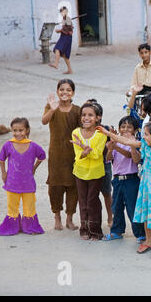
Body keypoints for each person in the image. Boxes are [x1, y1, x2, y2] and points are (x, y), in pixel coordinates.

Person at [98, 122, 151, 260]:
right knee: (146, 214)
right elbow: (125, 140)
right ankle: (148, 241)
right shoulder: (145, 147)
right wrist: (108, 134)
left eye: (146, 134)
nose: (144, 136)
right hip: (146, 186)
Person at [42, 79, 80, 231]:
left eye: (68, 90)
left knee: (73, 187)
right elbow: (44, 121)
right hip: (56, 153)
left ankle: (69, 218)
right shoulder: (51, 107)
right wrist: (52, 109)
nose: (65, 92)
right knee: (55, 186)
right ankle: (57, 216)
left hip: (72, 153)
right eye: (62, 89)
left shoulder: (77, 110)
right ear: (57, 92)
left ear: (73, 93)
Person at [0, 118, 46, 236]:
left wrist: (34, 168)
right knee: (12, 207)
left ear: (27, 130)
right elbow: (1, 159)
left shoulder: (33, 146)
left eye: (21, 130)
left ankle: (29, 227)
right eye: (15, 130)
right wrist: (4, 173)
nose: (18, 133)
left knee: (29, 206)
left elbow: (42, 156)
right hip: (12, 183)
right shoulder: (8, 145)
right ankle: (12, 228)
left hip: (28, 184)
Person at [103, 116, 144, 242]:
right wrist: (110, 148)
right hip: (117, 179)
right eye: (123, 127)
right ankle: (116, 231)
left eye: (129, 127)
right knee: (117, 206)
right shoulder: (116, 142)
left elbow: (131, 157)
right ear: (119, 129)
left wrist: (117, 147)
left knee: (132, 207)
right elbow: (109, 158)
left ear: (135, 130)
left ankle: (139, 233)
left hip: (131, 179)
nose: (125, 129)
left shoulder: (135, 143)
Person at [70, 102, 107, 240]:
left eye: (90, 115)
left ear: (97, 118)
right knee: (83, 201)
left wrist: (87, 150)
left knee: (92, 201)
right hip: (80, 172)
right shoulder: (76, 133)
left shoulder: (101, 134)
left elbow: (98, 154)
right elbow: (78, 156)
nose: (86, 118)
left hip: (96, 174)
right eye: (84, 115)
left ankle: (96, 231)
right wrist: (84, 152)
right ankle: (84, 229)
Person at [89, 100, 113, 227]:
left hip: (104, 164)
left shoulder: (106, 130)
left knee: (106, 192)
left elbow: (111, 145)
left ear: (99, 117)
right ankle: (93, 219)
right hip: (89, 164)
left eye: (92, 114)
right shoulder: (83, 130)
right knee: (91, 194)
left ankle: (110, 216)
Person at [49, 6, 74, 74]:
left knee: (57, 49)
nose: (62, 13)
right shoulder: (64, 19)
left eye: (63, 12)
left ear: (66, 12)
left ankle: (56, 64)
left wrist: (59, 30)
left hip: (66, 37)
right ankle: (70, 70)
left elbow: (68, 29)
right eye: (61, 12)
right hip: (64, 37)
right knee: (64, 55)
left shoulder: (67, 19)